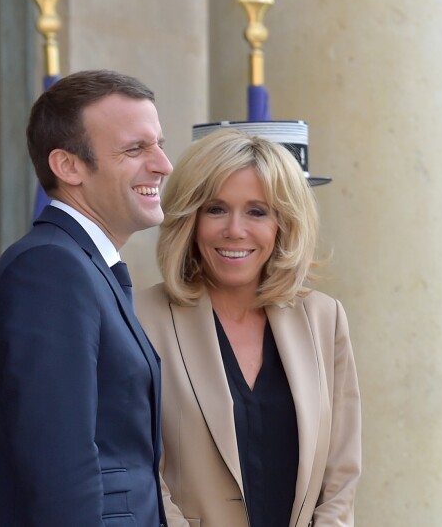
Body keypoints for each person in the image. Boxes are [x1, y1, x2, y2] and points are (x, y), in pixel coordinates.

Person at [0, 69, 173, 526]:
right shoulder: (49, 270)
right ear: (69, 166)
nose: (163, 164)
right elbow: (61, 467)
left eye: (159, 143)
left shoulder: (85, 268)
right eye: (136, 148)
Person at [135, 128, 361, 527]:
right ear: (189, 218)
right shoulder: (141, 319)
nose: (235, 230)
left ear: (283, 224)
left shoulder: (325, 319)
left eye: (257, 211)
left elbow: (340, 476)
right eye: (216, 209)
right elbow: (140, 472)